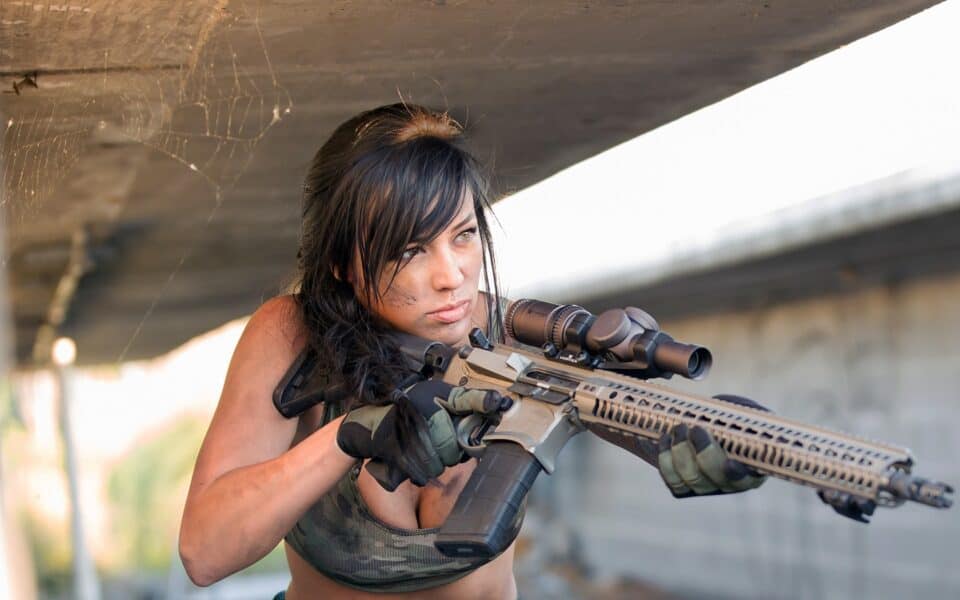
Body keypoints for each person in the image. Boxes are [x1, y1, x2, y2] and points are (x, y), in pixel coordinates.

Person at [178, 103, 766, 600]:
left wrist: (723, 440)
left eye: (463, 235)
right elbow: (205, 552)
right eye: (410, 250)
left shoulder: (507, 332)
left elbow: (624, 412)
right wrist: (347, 438)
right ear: (342, 263)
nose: (453, 275)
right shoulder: (291, 333)